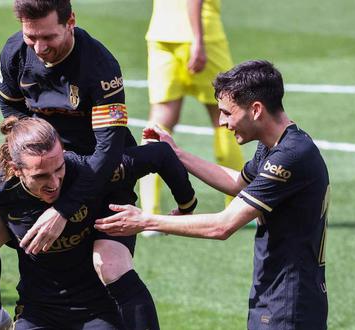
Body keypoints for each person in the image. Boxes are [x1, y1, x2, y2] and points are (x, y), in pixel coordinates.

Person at [0, 0, 158, 328]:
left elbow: (108, 149)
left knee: (111, 264)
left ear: (70, 21)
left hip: (96, 174)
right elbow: (12, 114)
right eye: (32, 37)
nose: (40, 47)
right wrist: (29, 164)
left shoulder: (100, 67)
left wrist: (63, 209)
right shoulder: (15, 52)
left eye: (48, 37)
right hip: (42, 169)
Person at [96, 60, 330, 329]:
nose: (222, 122)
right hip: (277, 292)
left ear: (255, 110)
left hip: (289, 300)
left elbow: (223, 225)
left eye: (227, 113)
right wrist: (177, 154)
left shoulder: (290, 156)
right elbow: (238, 184)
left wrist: (145, 220)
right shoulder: (277, 145)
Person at [0, 117, 197, 329]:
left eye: (58, 168)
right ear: (17, 170)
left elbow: (160, 154)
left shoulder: (87, 173)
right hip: (38, 312)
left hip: (98, 310)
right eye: (41, 176)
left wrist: (187, 206)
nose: (55, 182)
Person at [139, 0, 243, 222]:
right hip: (201, 34)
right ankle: (240, 205)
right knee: (225, 117)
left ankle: (149, 212)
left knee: (159, 119)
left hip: (161, 33)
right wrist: (198, 38)